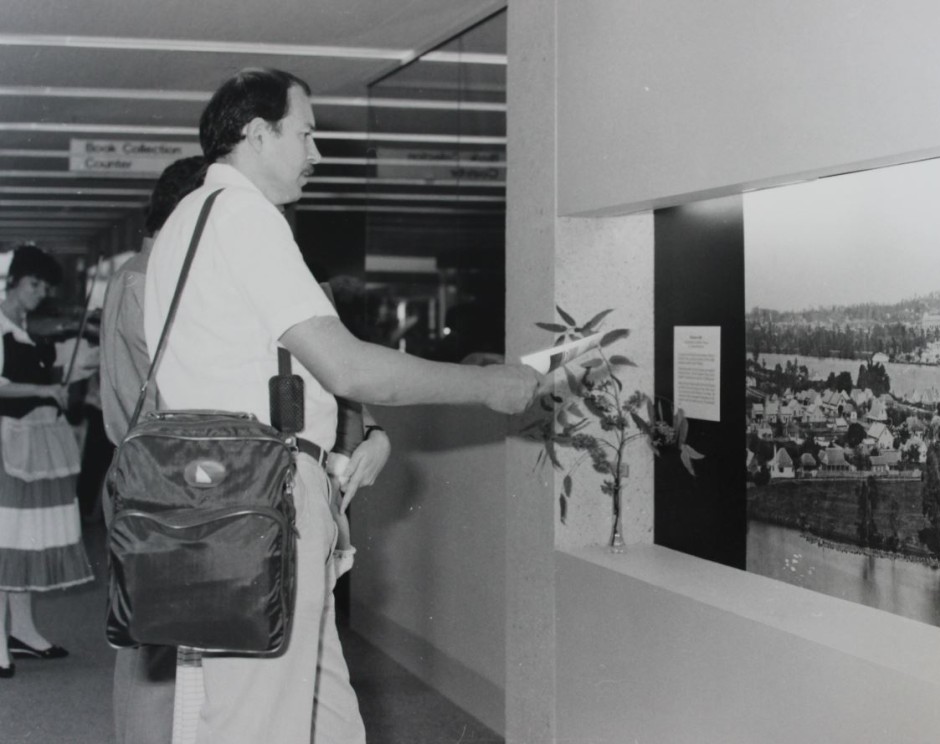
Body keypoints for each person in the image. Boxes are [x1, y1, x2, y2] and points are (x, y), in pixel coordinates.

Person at [140, 68, 539, 743]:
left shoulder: (189, 220)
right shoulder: (244, 218)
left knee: (325, 718)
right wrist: (487, 386)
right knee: (259, 724)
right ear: (258, 135)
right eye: (308, 134)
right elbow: (348, 365)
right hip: (260, 496)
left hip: (218, 490)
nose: (318, 154)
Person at [99, 154, 205, 743]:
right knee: (156, 647)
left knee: (145, 640)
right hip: (164, 476)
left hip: (135, 469)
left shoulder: (130, 274)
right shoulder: (156, 281)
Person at [0, 245, 96, 679]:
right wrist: (42, 391)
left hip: (33, 445)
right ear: (13, 281)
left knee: (26, 536)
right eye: (33, 283)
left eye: (44, 286)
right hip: (7, 446)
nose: (39, 293)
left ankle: (21, 628)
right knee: (6, 538)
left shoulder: (26, 329)